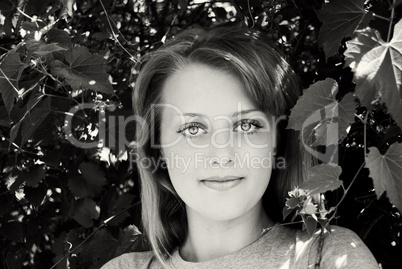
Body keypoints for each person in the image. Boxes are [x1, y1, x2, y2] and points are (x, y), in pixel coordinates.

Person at [102, 25, 378, 268]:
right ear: (158, 148)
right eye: (193, 129)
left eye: (247, 126)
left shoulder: (329, 257)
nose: (222, 156)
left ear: (277, 141)